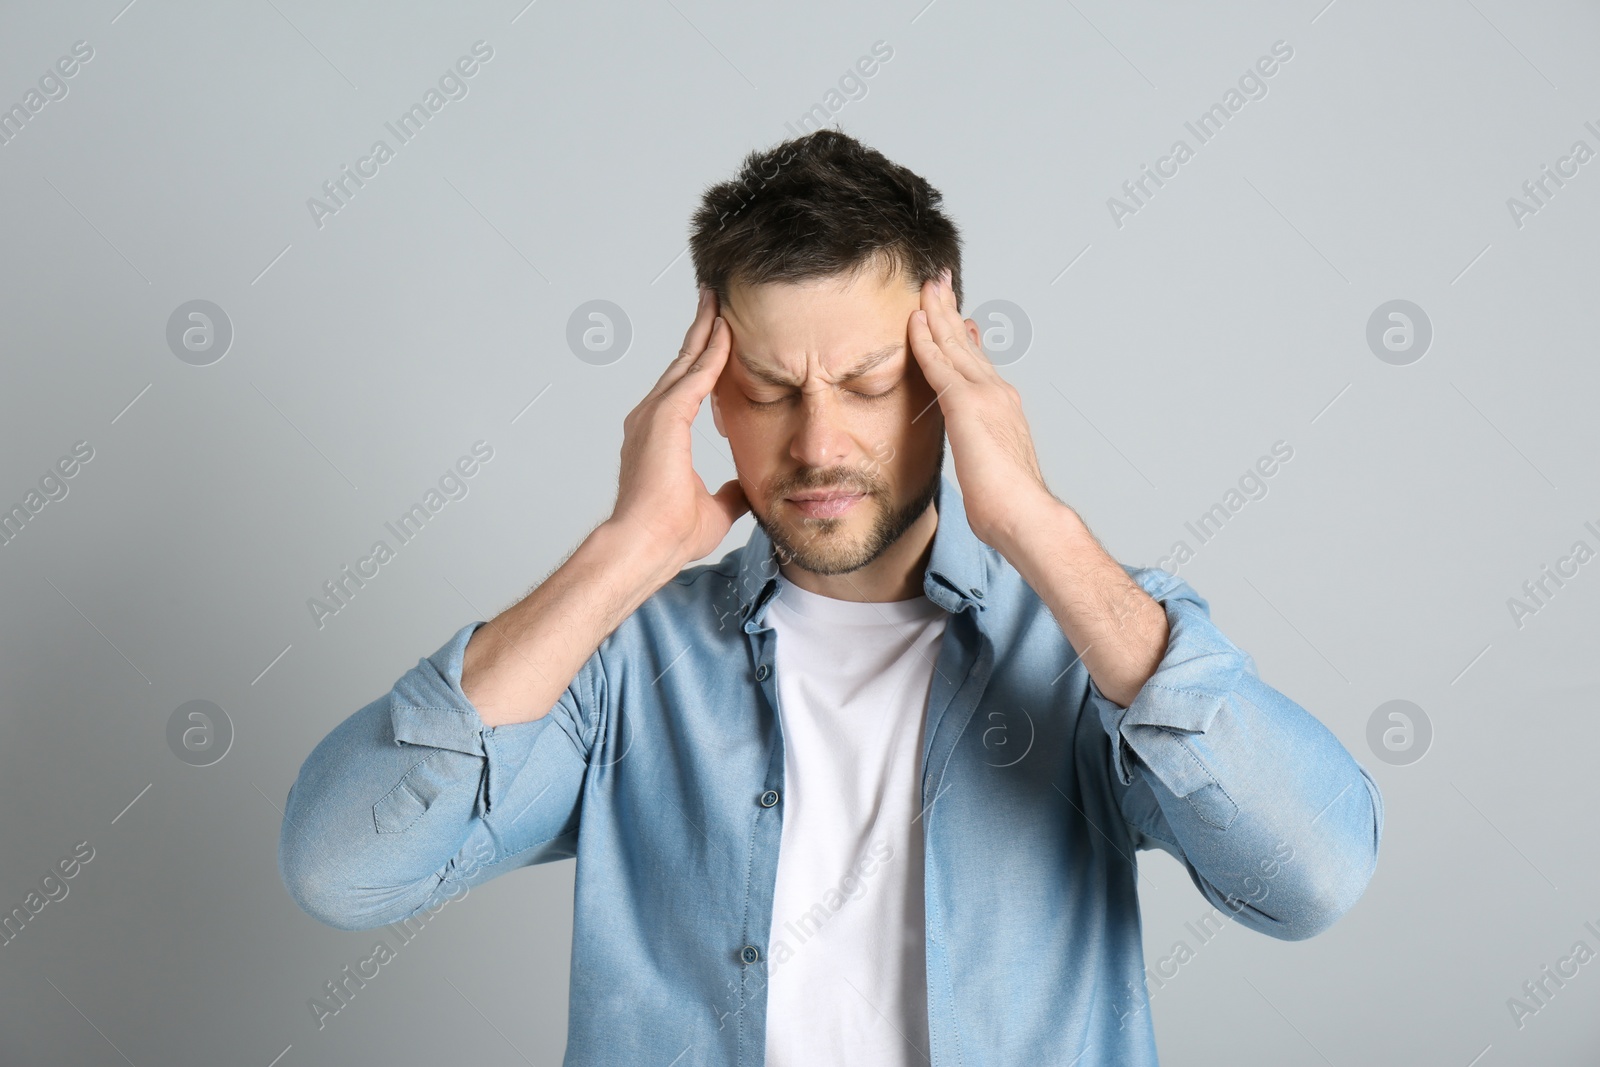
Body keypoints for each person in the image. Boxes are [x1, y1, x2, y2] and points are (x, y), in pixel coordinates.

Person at [278, 129, 1383, 1066]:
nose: (817, 442)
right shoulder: (618, 663)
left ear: (955, 380)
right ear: (710, 398)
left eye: (868, 383)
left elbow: (1311, 875)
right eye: (767, 390)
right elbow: (344, 867)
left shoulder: (1094, 639)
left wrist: (1033, 524)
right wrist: (622, 552)